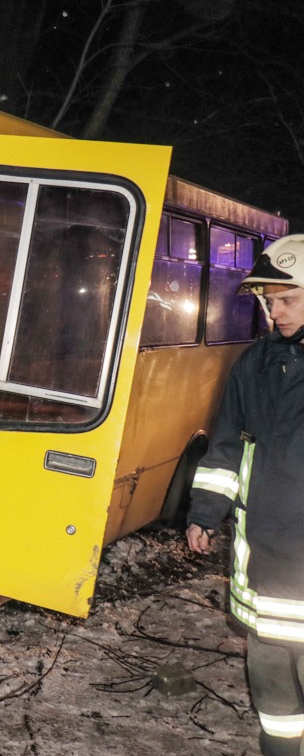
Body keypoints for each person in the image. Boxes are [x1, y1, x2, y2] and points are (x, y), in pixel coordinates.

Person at [187, 233, 304, 756]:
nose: (274, 312)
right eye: (270, 300)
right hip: (264, 568)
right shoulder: (254, 366)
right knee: (276, 701)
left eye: (288, 299)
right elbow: (227, 445)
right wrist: (205, 513)